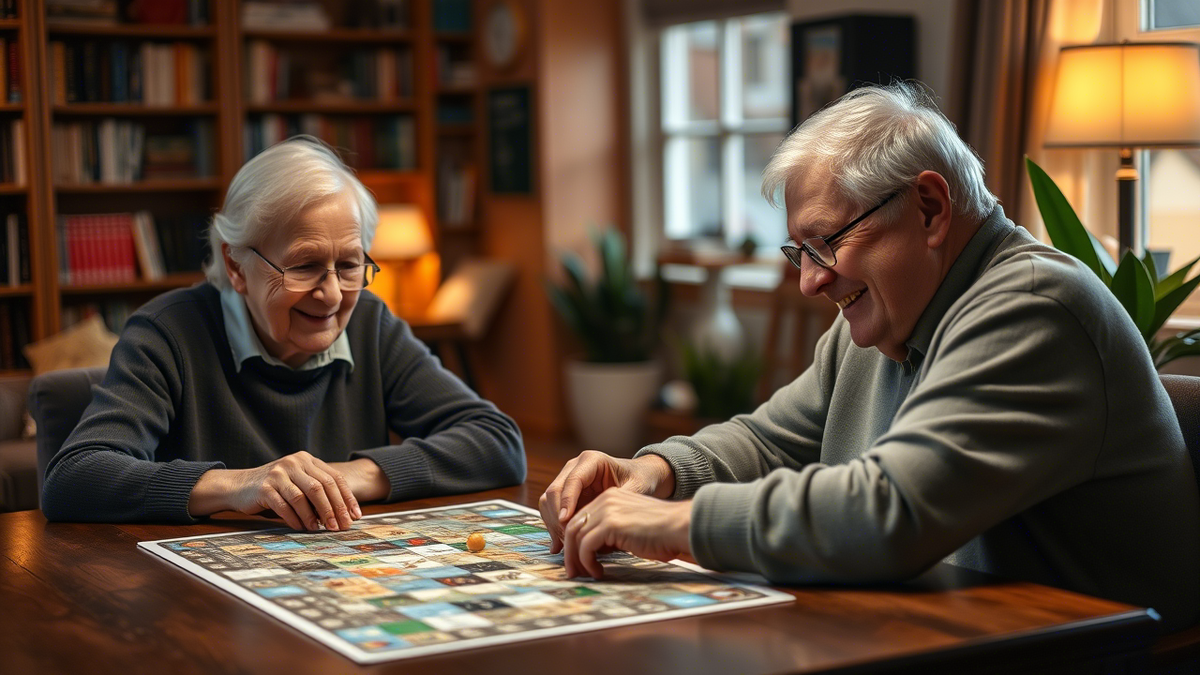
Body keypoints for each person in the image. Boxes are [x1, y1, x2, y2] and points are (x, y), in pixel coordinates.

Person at [540, 83, 1200, 631]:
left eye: (826, 242)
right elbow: (770, 441)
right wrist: (653, 472)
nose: (810, 281)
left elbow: (891, 512)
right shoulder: (887, 316)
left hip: (1097, 656)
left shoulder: (1035, 308)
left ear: (930, 208)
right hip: (960, 634)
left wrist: (675, 525)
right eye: (800, 252)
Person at [42, 136, 525, 531]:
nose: (332, 295)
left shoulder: (370, 322)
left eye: (349, 265)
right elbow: (74, 477)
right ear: (236, 266)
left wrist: (346, 477)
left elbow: (498, 442)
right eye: (305, 266)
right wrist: (241, 484)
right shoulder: (168, 332)